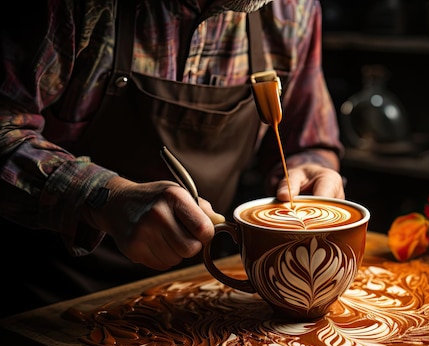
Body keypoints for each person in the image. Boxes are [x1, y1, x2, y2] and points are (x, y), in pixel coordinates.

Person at [0, 0, 345, 317]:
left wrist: (312, 167)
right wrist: (103, 198)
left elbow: (305, 142)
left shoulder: (293, 9)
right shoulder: (76, 8)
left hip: (200, 298)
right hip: (56, 300)